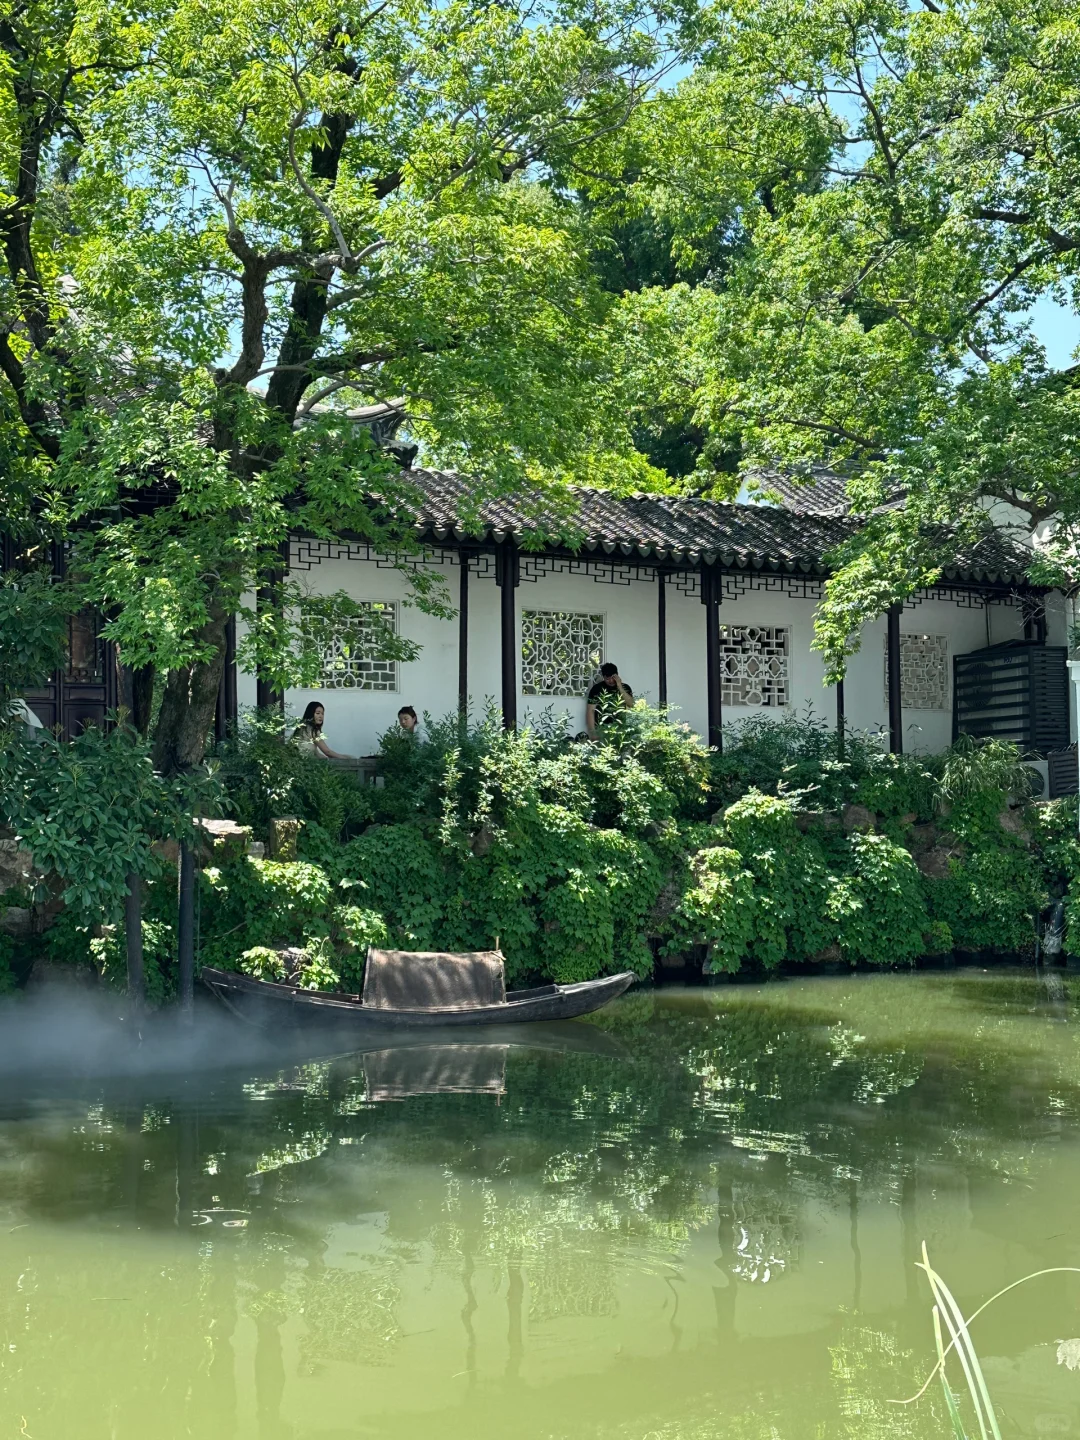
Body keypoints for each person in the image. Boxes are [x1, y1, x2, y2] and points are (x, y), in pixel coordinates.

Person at [586, 663, 633, 738]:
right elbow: (590, 711)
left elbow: (631, 704)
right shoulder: (597, 689)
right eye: (607, 679)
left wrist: (620, 687)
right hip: (601, 729)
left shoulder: (625, 687)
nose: (611, 681)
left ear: (617, 676)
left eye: (612, 678)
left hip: (620, 729)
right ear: (603, 677)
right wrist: (593, 733)